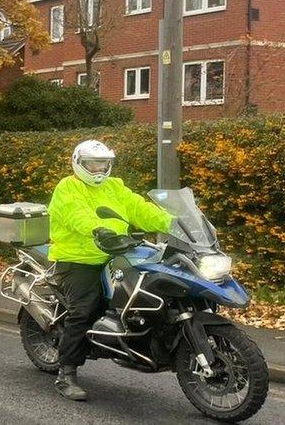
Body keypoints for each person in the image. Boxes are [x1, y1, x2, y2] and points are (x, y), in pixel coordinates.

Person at [47, 140, 173, 401]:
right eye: (93, 164)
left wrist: (174, 222)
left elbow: (141, 209)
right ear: (78, 163)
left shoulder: (115, 187)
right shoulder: (67, 187)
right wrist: (97, 228)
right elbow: (76, 214)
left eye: (103, 164)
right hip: (79, 259)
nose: (98, 170)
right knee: (84, 310)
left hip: (117, 253)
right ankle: (66, 373)